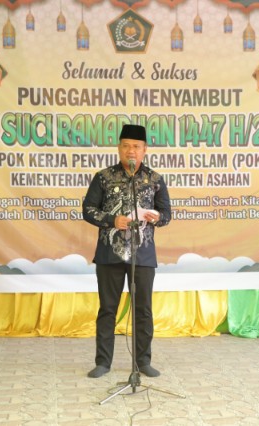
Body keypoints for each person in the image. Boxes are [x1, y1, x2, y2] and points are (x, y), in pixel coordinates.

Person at [83, 124, 171, 378]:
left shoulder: (154, 179)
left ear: (144, 150)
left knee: (143, 310)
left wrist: (157, 218)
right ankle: (103, 362)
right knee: (107, 309)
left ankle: (143, 361)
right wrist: (113, 220)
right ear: (118, 148)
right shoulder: (103, 177)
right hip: (109, 254)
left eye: (136, 146)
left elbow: (166, 214)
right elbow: (88, 210)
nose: (130, 151)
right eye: (126, 146)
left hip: (142, 255)